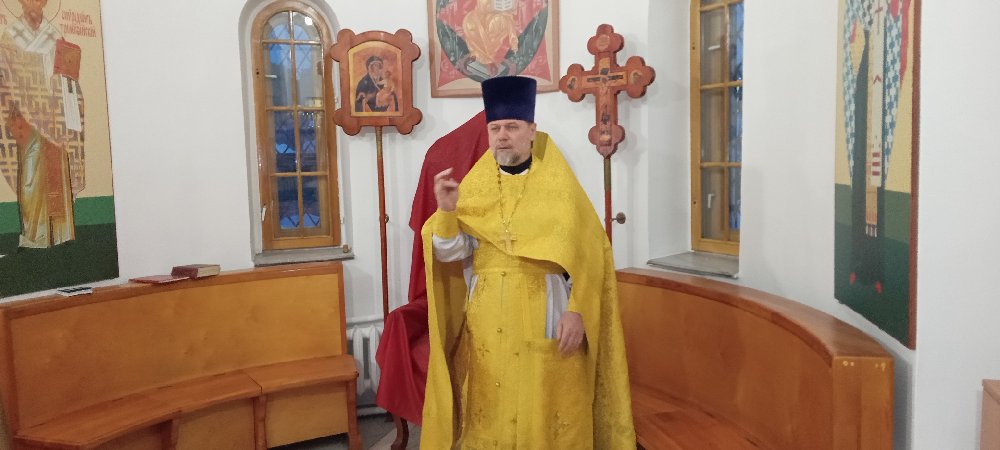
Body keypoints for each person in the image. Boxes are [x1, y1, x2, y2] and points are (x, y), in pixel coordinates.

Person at [420, 76, 635, 449]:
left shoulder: (559, 188)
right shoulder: (473, 187)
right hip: (487, 317)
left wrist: (577, 310)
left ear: (531, 131)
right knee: (491, 401)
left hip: (545, 309)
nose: (502, 136)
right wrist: (448, 212)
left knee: (543, 406)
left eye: (512, 127)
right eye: (495, 128)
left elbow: (589, 255)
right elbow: (449, 253)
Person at [0, 0, 85, 248]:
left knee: (57, 167)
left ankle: (59, 233)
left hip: (53, 113)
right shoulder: (10, 36)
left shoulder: (54, 34)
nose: (33, 3)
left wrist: (66, 96)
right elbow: (5, 77)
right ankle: (35, 234)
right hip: (25, 115)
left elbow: (67, 76)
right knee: (31, 170)